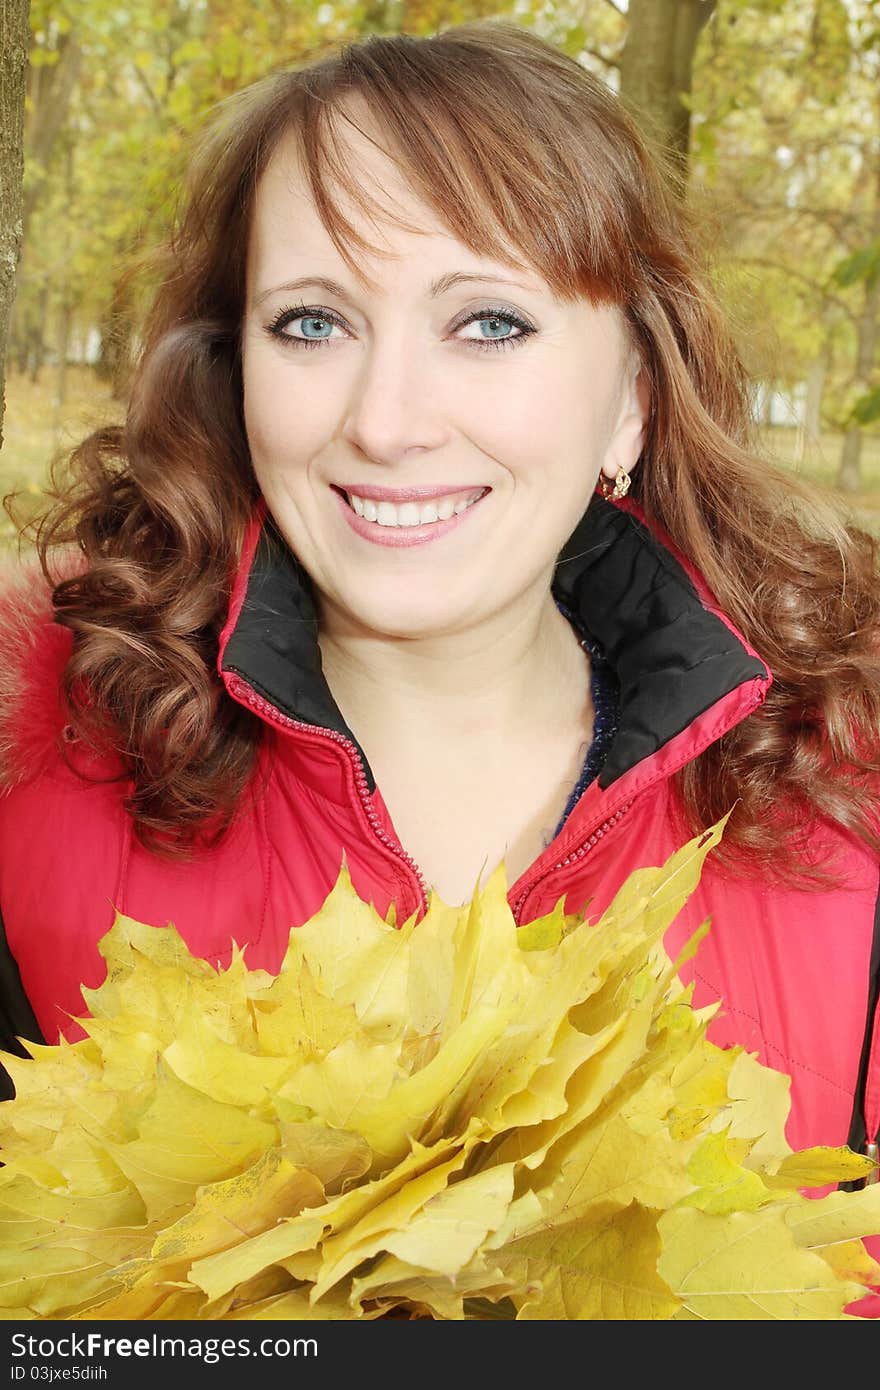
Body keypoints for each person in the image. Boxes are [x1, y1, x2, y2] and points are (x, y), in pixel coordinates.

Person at [0, 20, 878, 1207]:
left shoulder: (850, 804)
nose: (386, 419)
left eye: (488, 322)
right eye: (313, 322)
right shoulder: (34, 747)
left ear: (630, 399)